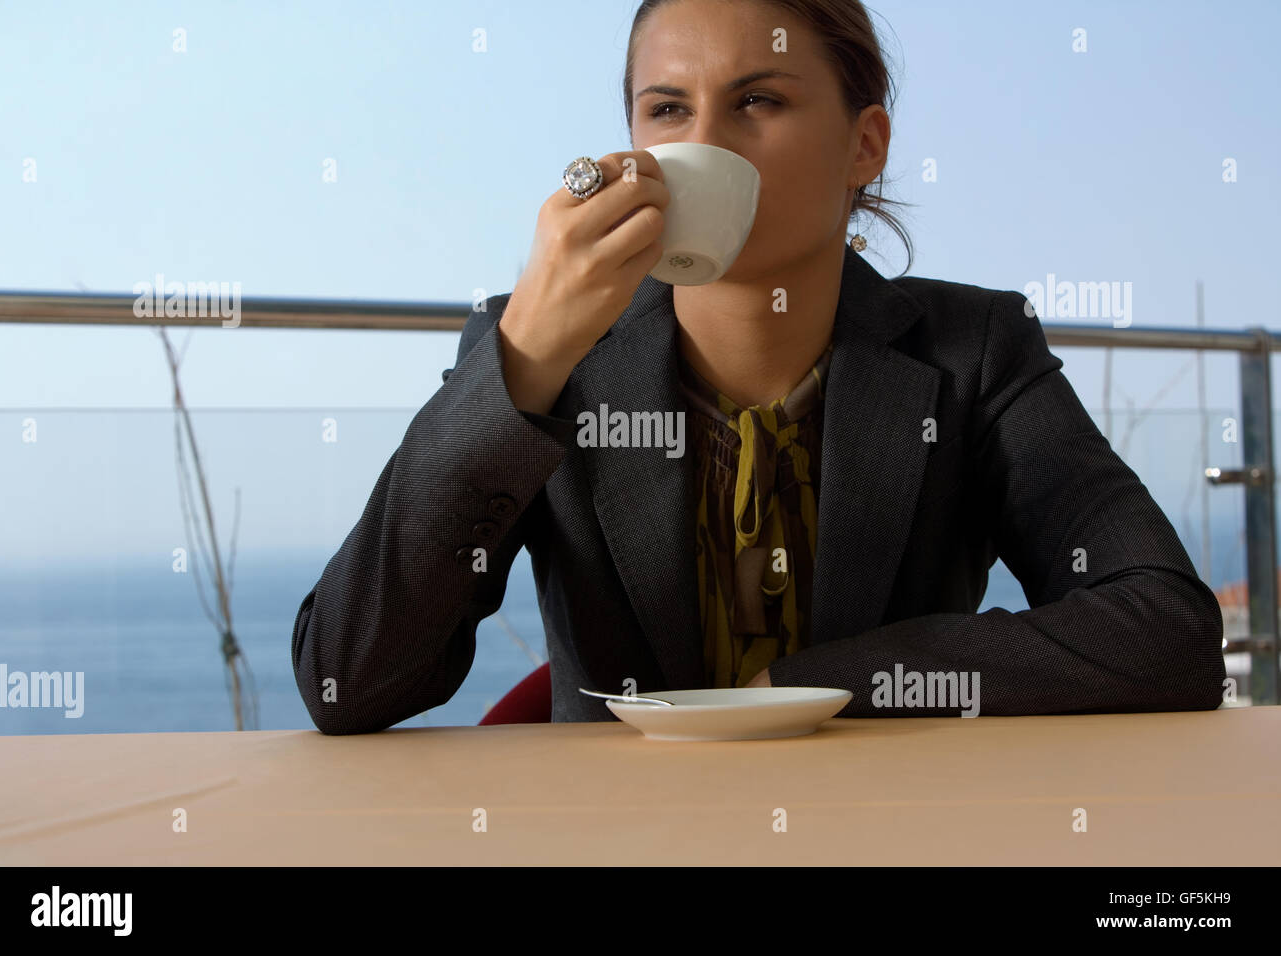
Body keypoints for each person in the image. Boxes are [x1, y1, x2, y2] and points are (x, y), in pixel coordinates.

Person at [291, 0, 1225, 734]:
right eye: (668, 110)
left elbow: (1165, 630)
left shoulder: (974, 350)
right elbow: (347, 679)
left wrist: (817, 687)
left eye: (758, 101)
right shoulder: (541, 349)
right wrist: (525, 357)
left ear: (865, 146)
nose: (704, 143)